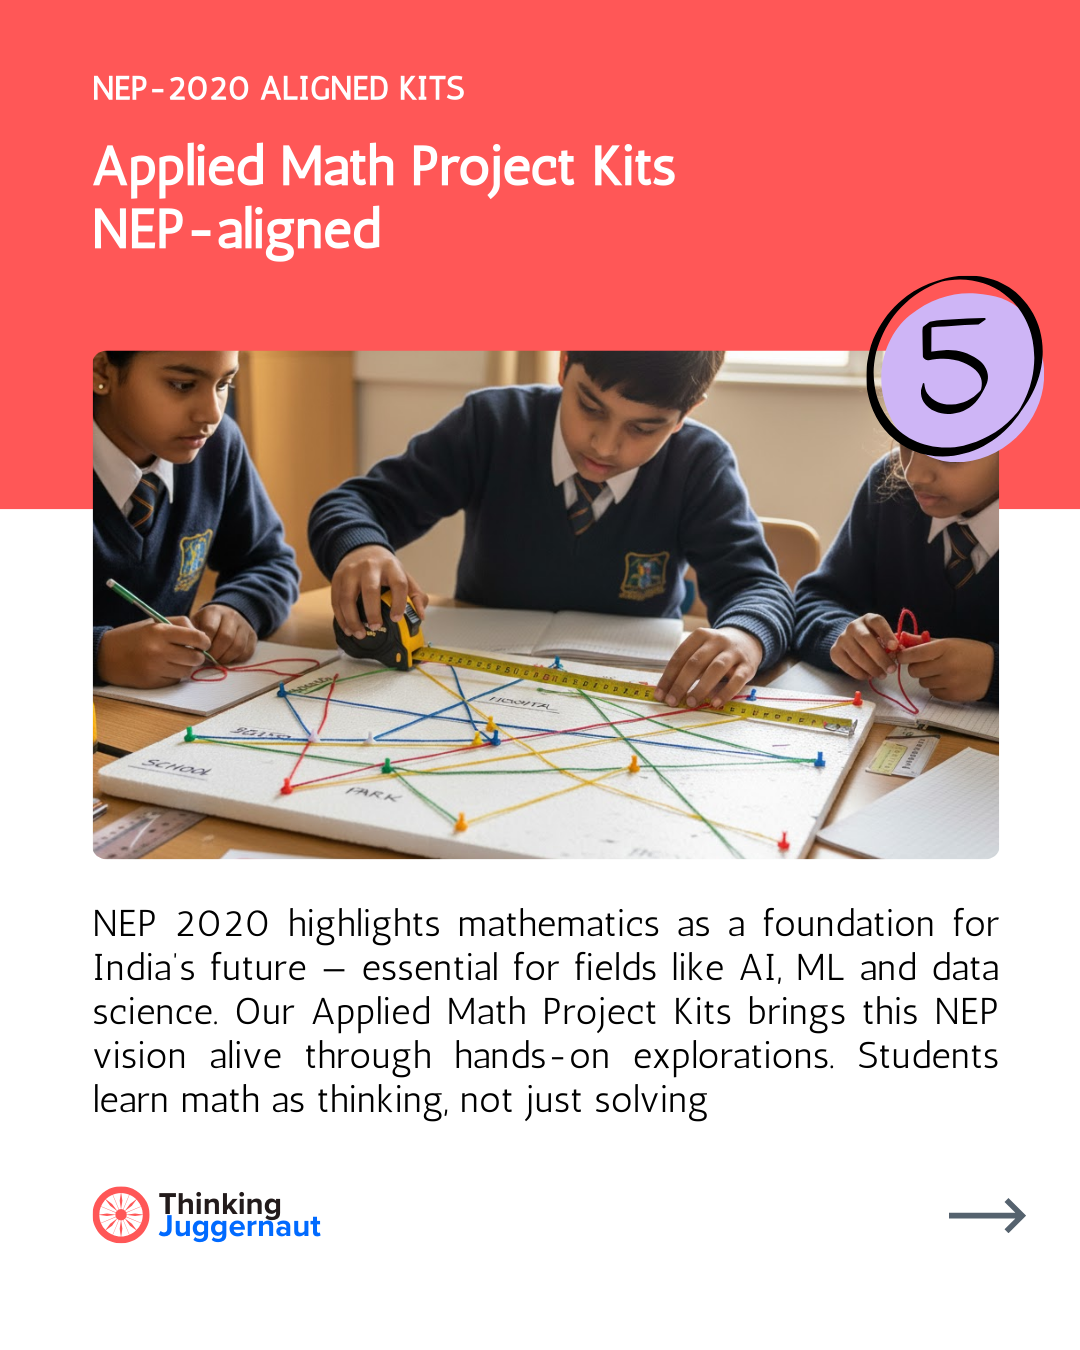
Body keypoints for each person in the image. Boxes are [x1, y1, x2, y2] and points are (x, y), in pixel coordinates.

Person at [309, 352, 793, 708]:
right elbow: (352, 504)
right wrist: (362, 548)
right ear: (562, 364)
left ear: (687, 413)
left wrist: (745, 636)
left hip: (627, 702)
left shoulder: (699, 464)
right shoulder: (492, 425)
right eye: (591, 407)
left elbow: (757, 587)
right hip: (471, 690)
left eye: (643, 429)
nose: (605, 445)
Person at [93, 350, 300, 687]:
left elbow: (270, 562)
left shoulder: (217, 447)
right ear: (102, 370)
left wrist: (239, 608)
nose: (212, 413)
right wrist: (99, 654)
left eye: (224, 384)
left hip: (164, 713)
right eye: (182, 384)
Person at [794, 447, 998, 703]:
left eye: (947, 452)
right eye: (905, 444)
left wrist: (996, 673)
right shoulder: (891, 484)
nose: (913, 473)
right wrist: (843, 634)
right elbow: (816, 601)